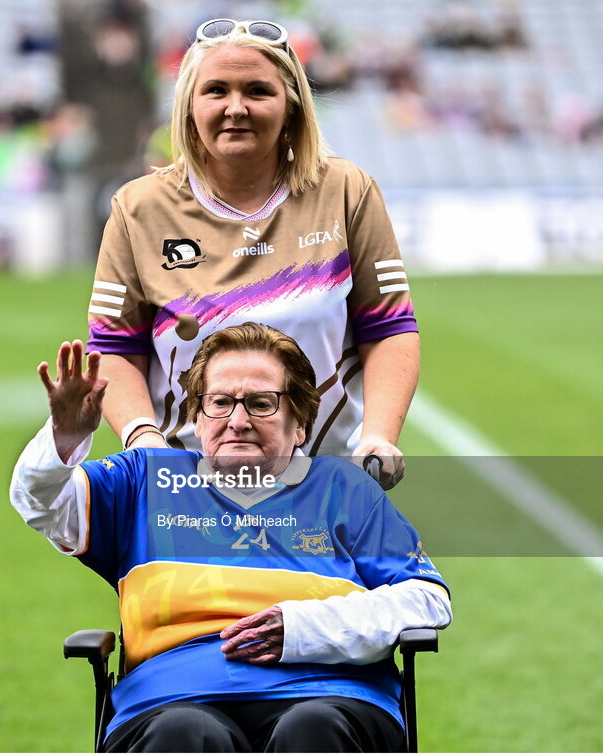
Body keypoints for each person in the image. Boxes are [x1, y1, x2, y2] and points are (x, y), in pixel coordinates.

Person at [10, 323, 451, 752]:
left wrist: (303, 631)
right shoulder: (145, 480)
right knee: (185, 735)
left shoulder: (344, 488)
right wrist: (63, 439)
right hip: (169, 698)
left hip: (331, 692)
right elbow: (43, 504)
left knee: (313, 728)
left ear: (300, 424)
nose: (237, 421)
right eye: (219, 402)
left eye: (261, 403)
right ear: (197, 421)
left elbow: (427, 599)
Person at [86, 18, 419, 489]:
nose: (235, 108)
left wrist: (379, 437)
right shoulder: (138, 208)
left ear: (292, 108)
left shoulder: (347, 191)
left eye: (258, 91)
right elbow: (114, 347)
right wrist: (142, 439)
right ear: (188, 106)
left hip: (328, 486)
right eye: (216, 90)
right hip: (188, 491)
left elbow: (389, 328)